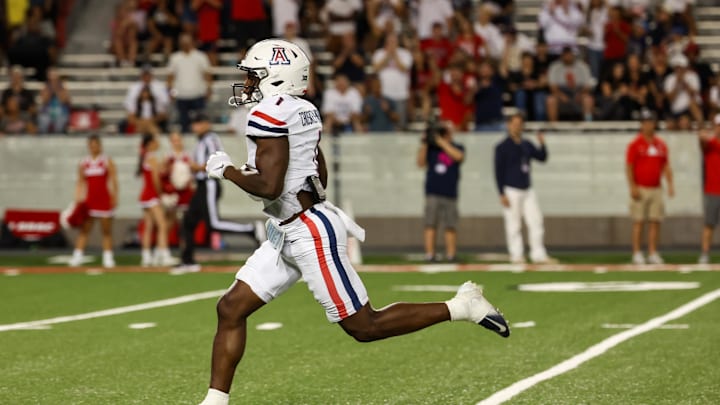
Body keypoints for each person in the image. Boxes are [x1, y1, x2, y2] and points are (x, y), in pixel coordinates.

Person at [197, 38, 510, 405]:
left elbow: (269, 186)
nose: (248, 83)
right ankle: (215, 402)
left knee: (364, 326)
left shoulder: (270, 114)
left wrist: (229, 171)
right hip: (290, 227)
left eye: (255, 75)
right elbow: (319, 173)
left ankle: (462, 306)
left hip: (307, 230)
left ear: (277, 78)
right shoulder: (301, 109)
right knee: (230, 308)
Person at [174, 112, 265, 272]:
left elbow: (217, 161)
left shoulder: (211, 139)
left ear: (206, 124)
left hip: (210, 183)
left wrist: (197, 167)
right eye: (194, 124)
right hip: (201, 185)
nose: (195, 127)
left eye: (199, 123)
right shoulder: (201, 141)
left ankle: (251, 229)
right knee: (188, 221)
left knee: (213, 223)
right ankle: (187, 261)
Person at [494, 113, 554, 264]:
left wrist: (543, 144)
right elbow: (498, 171)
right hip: (511, 189)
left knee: (536, 221)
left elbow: (542, 157)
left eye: (519, 123)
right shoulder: (502, 147)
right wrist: (501, 192)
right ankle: (516, 255)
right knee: (514, 224)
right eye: (514, 123)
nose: (517, 127)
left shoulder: (526, 144)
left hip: (527, 188)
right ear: (508, 125)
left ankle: (538, 254)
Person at [625, 109, 674, 265]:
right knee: (638, 221)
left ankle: (653, 252)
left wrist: (670, 184)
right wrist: (632, 186)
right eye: (645, 122)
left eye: (651, 122)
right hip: (641, 187)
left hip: (656, 187)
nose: (648, 125)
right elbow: (629, 166)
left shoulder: (660, 145)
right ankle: (637, 253)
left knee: (655, 221)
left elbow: (666, 165)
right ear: (642, 124)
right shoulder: (635, 144)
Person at [416, 121, 465, 262]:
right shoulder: (431, 149)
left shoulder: (457, 146)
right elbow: (420, 163)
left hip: (450, 192)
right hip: (433, 191)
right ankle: (430, 254)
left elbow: (459, 156)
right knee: (430, 223)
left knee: (450, 224)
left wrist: (442, 142)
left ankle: (451, 255)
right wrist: (426, 142)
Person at [69, 135, 118, 268]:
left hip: (104, 200)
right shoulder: (84, 162)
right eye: (91, 145)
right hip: (90, 201)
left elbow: (114, 180)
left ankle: (108, 257)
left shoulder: (107, 161)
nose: (93, 147)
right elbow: (80, 182)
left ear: (100, 146)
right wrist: (77, 199)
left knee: (106, 230)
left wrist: (115, 196)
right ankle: (77, 256)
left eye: (96, 145)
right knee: (85, 230)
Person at [137, 133, 176, 267]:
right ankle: (164, 255)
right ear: (150, 144)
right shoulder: (151, 157)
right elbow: (155, 179)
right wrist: (161, 193)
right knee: (162, 224)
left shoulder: (146, 157)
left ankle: (146, 256)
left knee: (148, 226)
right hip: (152, 194)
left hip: (145, 194)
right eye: (156, 141)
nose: (158, 143)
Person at [167, 33, 213, 133]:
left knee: (201, 120)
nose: (185, 45)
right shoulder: (175, 58)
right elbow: (170, 77)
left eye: (187, 42)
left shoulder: (200, 56)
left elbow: (207, 74)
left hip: (198, 93)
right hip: (181, 95)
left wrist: (208, 89)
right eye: (183, 43)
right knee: (183, 122)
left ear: (192, 43)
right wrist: (171, 92)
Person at [697, 114, 720, 264]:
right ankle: (705, 253)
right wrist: (703, 132)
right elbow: (701, 140)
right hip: (712, 189)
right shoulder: (710, 144)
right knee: (709, 223)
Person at [124, 64, 169, 134]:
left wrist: (151, 120)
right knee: (141, 127)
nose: (146, 77)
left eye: (148, 74)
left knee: (151, 127)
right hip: (139, 121)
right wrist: (140, 121)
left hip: (155, 120)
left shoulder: (160, 87)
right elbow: (130, 112)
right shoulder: (134, 88)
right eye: (145, 74)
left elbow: (164, 109)